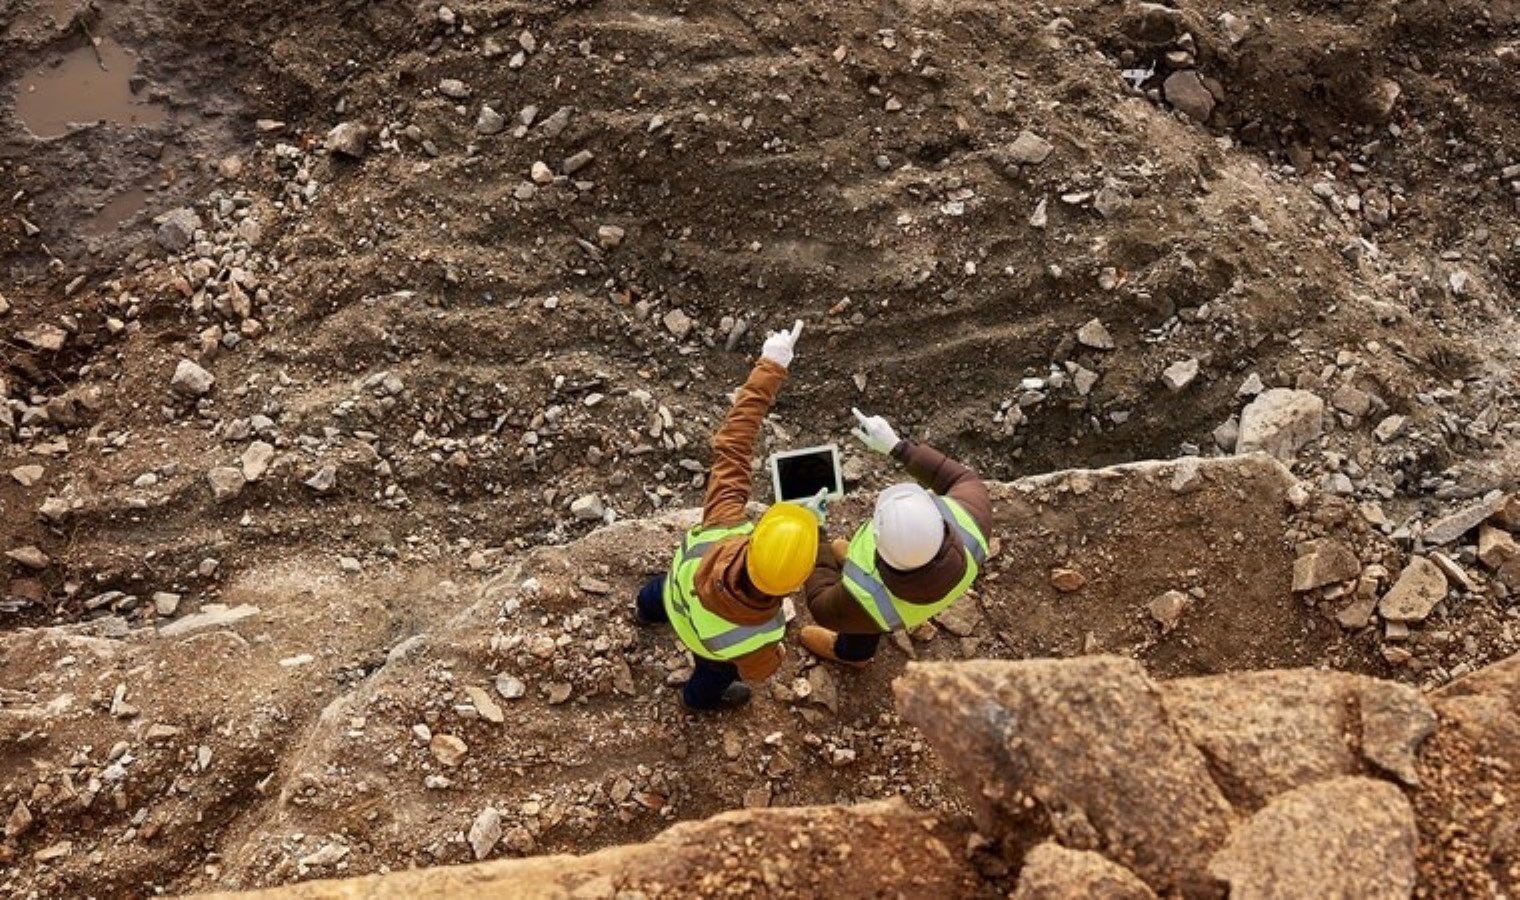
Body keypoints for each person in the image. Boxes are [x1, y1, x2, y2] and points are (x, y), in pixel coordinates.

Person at [634, 321, 819, 711]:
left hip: (675, 594)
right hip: (708, 647)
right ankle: (697, 702)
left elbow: (733, 442)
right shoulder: (764, 632)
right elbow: (760, 669)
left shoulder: (724, 524)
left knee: (656, 594)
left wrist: (771, 365)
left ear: (756, 537)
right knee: (712, 678)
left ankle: (645, 612)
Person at [800, 408, 992, 666]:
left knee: (862, 627)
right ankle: (853, 568)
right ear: (938, 521)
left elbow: (820, 603)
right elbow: (960, 477)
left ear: (877, 542)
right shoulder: (972, 523)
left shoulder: (866, 599)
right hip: (930, 590)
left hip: (877, 610)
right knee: (869, 614)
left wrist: (816, 532)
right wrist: (898, 447)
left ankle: (854, 655)